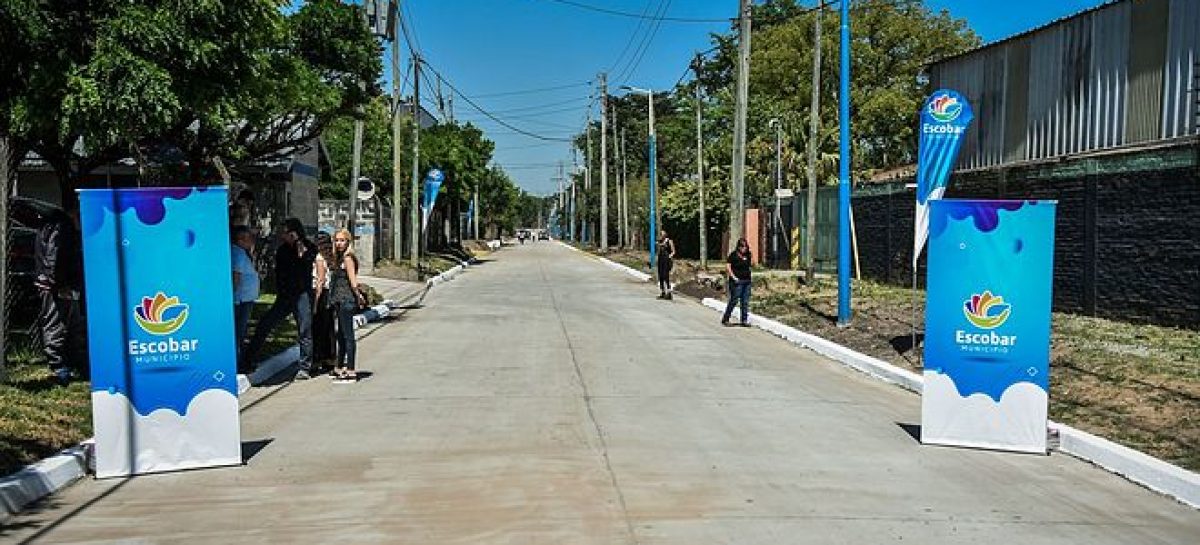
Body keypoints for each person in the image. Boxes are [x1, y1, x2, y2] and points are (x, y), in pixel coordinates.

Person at [244, 218, 317, 379]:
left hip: (302, 294)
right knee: (265, 324)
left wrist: (299, 243)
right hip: (285, 295)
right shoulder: (282, 250)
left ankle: (305, 366)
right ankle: (248, 360)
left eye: (286, 233)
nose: (283, 236)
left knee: (304, 330)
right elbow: (279, 273)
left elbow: (306, 262)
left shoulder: (308, 247)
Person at [34, 203, 85, 385]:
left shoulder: (54, 225)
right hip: (58, 285)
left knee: (67, 323)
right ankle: (58, 367)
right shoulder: (62, 227)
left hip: (57, 283)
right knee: (57, 324)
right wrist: (59, 283)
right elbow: (55, 256)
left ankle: (65, 364)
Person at [329, 229, 367, 382]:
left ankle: (351, 370)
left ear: (348, 242)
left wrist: (359, 297)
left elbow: (353, 281)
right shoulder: (339, 258)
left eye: (342, 240)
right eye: (337, 240)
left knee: (348, 335)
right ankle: (340, 368)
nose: (339, 243)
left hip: (347, 300)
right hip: (339, 300)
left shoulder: (348, 258)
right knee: (341, 335)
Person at [231, 226, 260, 374]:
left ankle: (239, 362)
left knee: (240, 332)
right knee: (238, 332)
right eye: (249, 239)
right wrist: (233, 296)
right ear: (241, 239)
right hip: (241, 300)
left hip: (244, 298)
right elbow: (236, 276)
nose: (251, 242)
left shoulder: (241, 253)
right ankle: (238, 364)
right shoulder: (239, 254)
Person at [311, 232, 337, 374]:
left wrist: (315, 302)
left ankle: (318, 359)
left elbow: (320, 281)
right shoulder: (329, 257)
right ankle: (329, 358)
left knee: (318, 329)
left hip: (321, 294)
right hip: (328, 294)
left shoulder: (319, 258)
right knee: (328, 329)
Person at [722, 237, 753, 327]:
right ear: (738, 247)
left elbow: (749, 265)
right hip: (737, 281)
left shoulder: (748, 255)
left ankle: (744, 320)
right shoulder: (733, 255)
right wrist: (733, 277)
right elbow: (728, 267)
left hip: (747, 280)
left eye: (745, 247)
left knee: (745, 301)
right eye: (742, 247)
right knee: (734, 300)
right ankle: (726, 318)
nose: (744, 249)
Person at [656, 230, 676, 300]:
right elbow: (659, 251)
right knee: (660, 276)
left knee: (665, 276)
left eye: (662, 234)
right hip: (660, 260)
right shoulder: (660, 242)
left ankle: (669, 292)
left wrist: (669, 256)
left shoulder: (669, 241)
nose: (661, 236)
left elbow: (673, 251)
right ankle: (663, 292)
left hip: (666, 260)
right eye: (661, 234)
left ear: (665, 235)